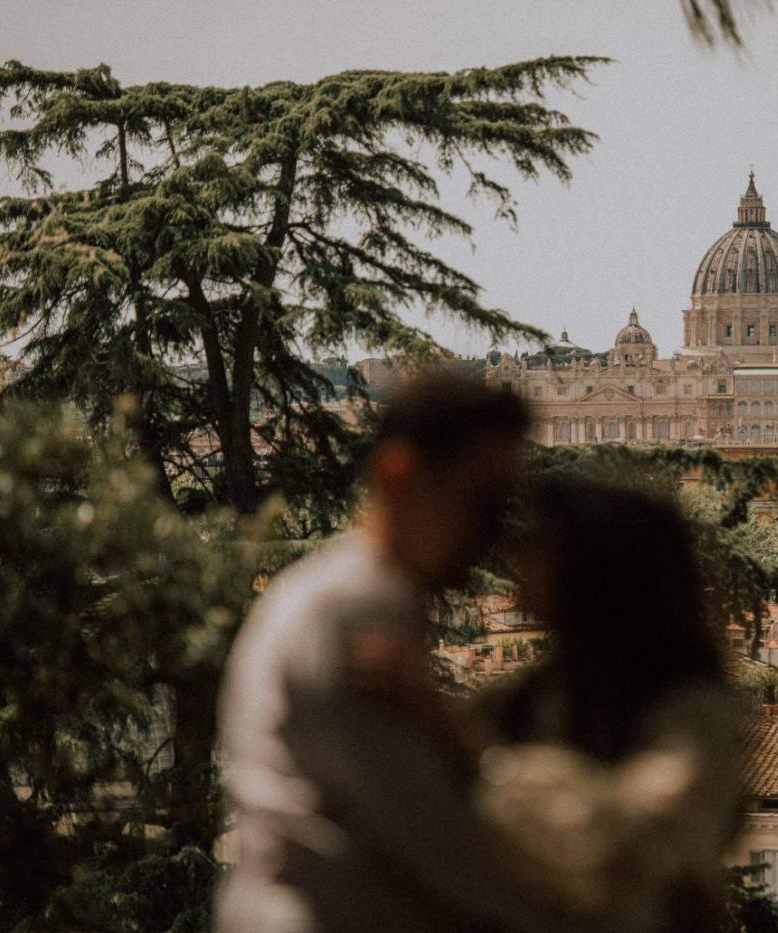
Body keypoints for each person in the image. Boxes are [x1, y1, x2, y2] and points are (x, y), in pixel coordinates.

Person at [215, 371, 586, 933]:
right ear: (398, 475)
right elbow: (435, 839)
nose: (496, 533)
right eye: (482, 502)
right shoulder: (356, 612)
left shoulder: (339, 595)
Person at [469, 475, 744, 932]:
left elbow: (617, 849)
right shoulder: (531, 694)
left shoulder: (695, 713)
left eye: (541, 549)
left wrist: (471, 750)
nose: (517, 567)